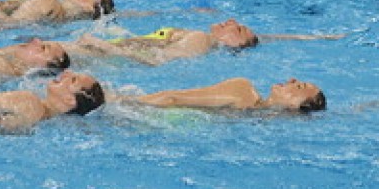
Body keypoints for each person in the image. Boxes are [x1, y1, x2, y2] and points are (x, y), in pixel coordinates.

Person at [65, 18, 342, 66]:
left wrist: (104, 46)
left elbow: (157, 60)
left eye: (238, 28)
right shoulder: (204, 38)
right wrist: (317, 37)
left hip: (99, 57)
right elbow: (264, 38)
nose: (231, 20)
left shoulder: (200, 40)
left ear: (233, 43)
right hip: (100, 52)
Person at [0, 70, 105, 133]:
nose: (66, 73)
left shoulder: (28, 100)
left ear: (69, 100)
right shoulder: (46, 120)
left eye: (73, 79)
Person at [113, 77, 326, 112]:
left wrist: (119, 102)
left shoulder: (242, 90)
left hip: (147, 112)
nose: (291, 79)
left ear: (295, 104)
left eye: (299, 86)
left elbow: (172, 98)